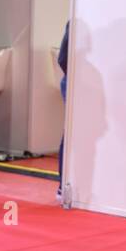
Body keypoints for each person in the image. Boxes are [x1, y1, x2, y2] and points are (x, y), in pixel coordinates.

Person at [57, 20, 68, 202]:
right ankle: (63, 183)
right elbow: (63, 59)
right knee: (71, 135)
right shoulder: (76, 21)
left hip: (73, 79)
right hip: (74, 81)